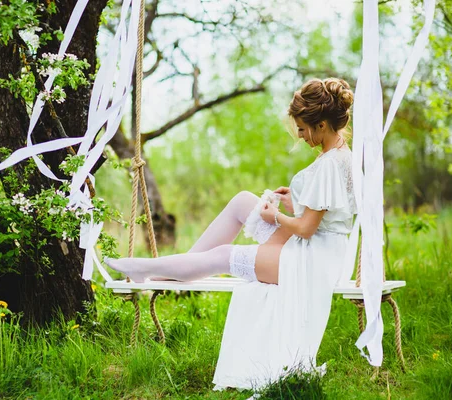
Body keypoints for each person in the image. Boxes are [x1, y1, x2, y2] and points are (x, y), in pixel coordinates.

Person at [104, 77, 357, 390]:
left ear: (320, 125)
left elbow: (306, 229)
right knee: (242, 201)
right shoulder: (337, 154)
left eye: (303, 129)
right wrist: (292, 201)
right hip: (317, 245)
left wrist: (275, 215)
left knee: (224, 256)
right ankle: (180, 268)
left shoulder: (331, 163)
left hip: (313, 260)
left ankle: (151, 269)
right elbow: (327, 212)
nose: (301, 136)